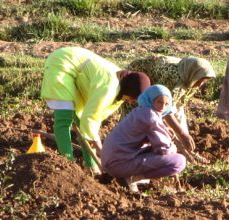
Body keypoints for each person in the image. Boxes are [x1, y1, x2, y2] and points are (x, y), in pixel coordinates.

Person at [41, 47, 151, 175]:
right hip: (63, 64)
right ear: (130, 91)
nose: (132, 102)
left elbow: (93, 117)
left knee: (82, 121)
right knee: (64, 118)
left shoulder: (122, 87)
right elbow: (91, 117)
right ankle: (68, 165)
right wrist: (99, 147)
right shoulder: (109, 88)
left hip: (78, 72)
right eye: (134, 98)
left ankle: (91, 166)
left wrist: (93, 138)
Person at [101, 84, 186, 192]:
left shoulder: (141, 111)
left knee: (153, 149)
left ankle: (129, 176)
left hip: (110, 160)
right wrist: (173, 146)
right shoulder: (151, 116)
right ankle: (133, 178)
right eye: (159, 102)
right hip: (119, 164)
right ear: (150, 100)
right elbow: (165, 150)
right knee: (179, 161)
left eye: (166, 104)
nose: (162, 107)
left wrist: (163, 130)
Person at [127, 55, 216, 155]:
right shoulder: (173, 78)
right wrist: (181, 134)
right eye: (199, 81)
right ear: (193, 74)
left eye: (203, 82)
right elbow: (164, 110)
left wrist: (183, 134)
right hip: (137, 84)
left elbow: (177, 105)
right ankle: (133, 151)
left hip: (161, 92)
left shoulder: (190, 76)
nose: (200, 85)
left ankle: (183, 153)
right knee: (142, 121)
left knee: (177, 129)